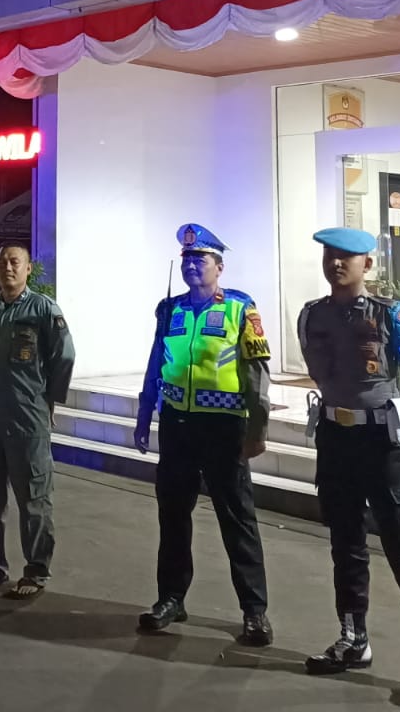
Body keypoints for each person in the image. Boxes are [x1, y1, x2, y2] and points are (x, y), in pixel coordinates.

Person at [298, 226, 400, 706]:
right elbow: (319, 370)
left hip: (382, 442)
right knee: (345, 542)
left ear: (368, 264)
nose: (336, 264)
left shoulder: (391, 313)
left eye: (347, 257)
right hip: (335, 437)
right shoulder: (313, 315)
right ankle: (353, 638)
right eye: (330, 256)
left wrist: (396, 421)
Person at [134, 224, 272, 645]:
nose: (192, 265)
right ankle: (170, 599)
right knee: (173, 516)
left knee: (237, 519)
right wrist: (144, 412)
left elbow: (257, 372)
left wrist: (258, 428)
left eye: (201, 259)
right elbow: (156, 361)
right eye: (187, 259)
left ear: (219, 267)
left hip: (224, 429)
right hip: (177, 425)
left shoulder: (240, 308)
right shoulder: (169, 309)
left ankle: (254, 611)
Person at [0, 243, 75, 599]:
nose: (8, 267)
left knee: (34, 499)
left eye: (15, 262)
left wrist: (50, 399)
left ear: (27, 268)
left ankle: (36, 571)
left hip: (27, 421)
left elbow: (64, 356)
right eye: (2, 262)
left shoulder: (43, 309)